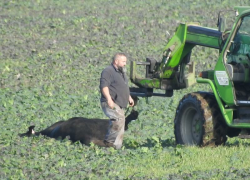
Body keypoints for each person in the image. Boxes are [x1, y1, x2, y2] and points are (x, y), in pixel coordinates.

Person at [100, 53, 134, 149]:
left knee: (121, 122)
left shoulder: (121, 72)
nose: (125, 64)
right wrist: (109, 100)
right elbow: (104, 86)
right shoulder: (108, 71)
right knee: (118, 119)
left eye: (125, 62)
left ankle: (117, 147)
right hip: (110, 102)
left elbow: (123, 87)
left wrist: (129, 98)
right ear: (116, 61)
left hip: (119, 103)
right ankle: (109, 143)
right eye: (123, 61)